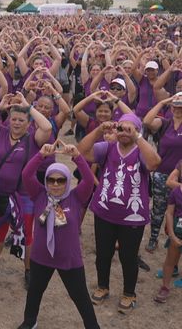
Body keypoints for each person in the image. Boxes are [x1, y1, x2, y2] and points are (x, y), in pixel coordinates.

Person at [78, 113, 161, 314]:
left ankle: (129, 293)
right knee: (103, 254)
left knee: (128, 257)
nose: (124, 133)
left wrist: (138, 137)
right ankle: (102, 286)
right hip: (104, 211)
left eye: (130, 129)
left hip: (132, 216)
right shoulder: (107, 148)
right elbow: (82, 152)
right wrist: (100, 130)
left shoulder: (140, 151)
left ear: (137, 131)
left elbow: (154, 163)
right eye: (121, 128)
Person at [0, 92, 52, 289]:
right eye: (14, 119)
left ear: (28, 123)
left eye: (21, 120)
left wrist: (29, 106)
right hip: (0, 193)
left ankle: (28, 270)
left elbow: (47, 127)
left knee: (27, 234)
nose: (16, 123)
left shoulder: (34, 138)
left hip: (24, 195)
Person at [18, 142, 100, 329]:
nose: (55, 184)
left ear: (68, 181)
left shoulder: (76, 197)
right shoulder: (39, 194)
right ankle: (30, 321)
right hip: (41, 256)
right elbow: (26, 175)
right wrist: (41, 155)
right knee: (35, 292)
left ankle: (93, 326)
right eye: (51, 180)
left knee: (80, 296)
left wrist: (78, 156)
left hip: (68, 259)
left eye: (61, 180)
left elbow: (88, 180)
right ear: (45, 181)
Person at [143, 94, 182, 252]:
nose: (178, 109)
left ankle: (173, 236)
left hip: (179, 175)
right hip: (161, 172)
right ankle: (153, 238)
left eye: (181, 107)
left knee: (178, 209)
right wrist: (162, 102)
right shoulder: (165, 123)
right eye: (175, 106)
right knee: (159, 208)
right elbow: (146, 122)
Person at [154, 159, 182, 303]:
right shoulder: (176, 192)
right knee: (170, 260)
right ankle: (165, 287)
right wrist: (172, 234)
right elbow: (170, 213)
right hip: (177, 231)